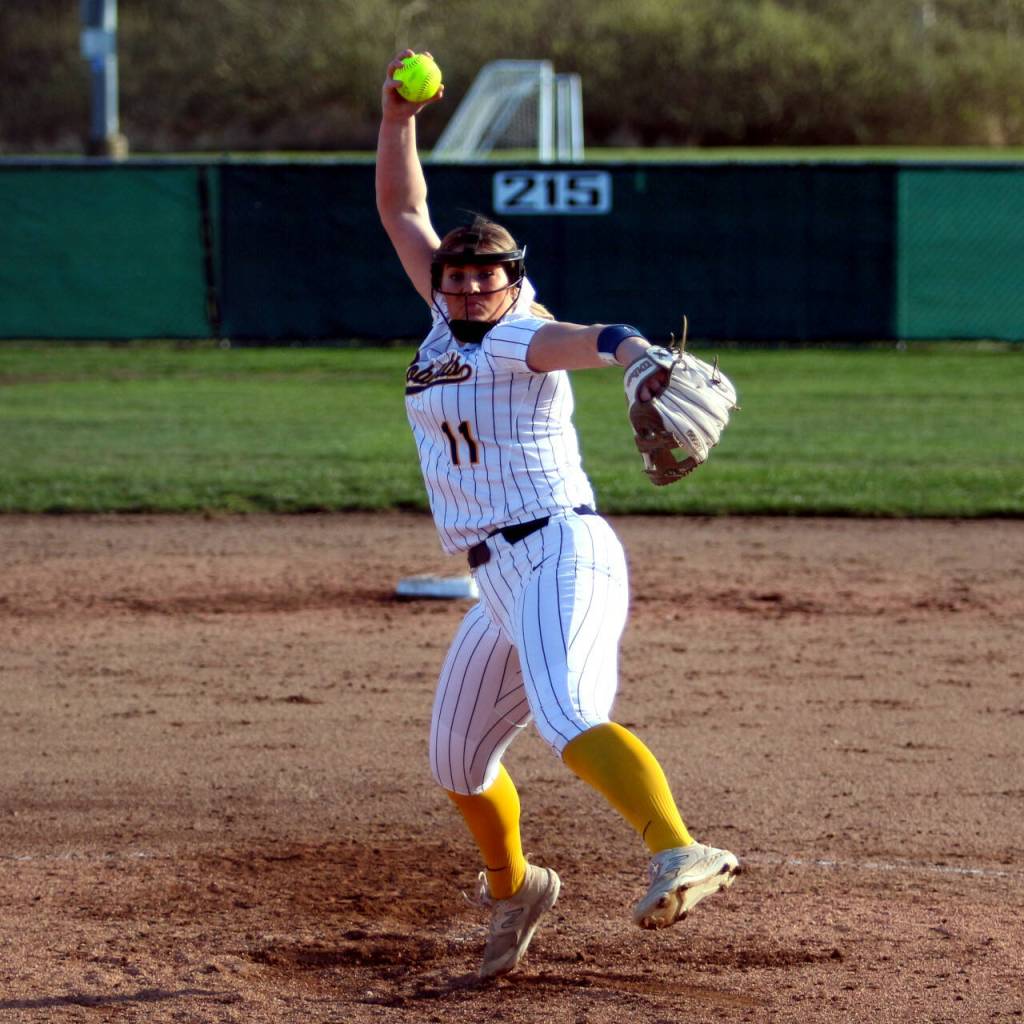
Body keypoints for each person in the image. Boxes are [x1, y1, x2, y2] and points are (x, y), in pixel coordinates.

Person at [376, 49, 740, 981]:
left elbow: (592, 338)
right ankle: (517, 889)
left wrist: (635, 353)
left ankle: (679, 848)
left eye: (484, 276)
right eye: (456, 276)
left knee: (569, 711)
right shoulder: (443, 321)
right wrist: (397, 117)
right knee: (456, 758)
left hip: (560, 550)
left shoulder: (519, 336)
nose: (467, 287)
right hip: (496, 577)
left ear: (513, 279)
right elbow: (404, 212)